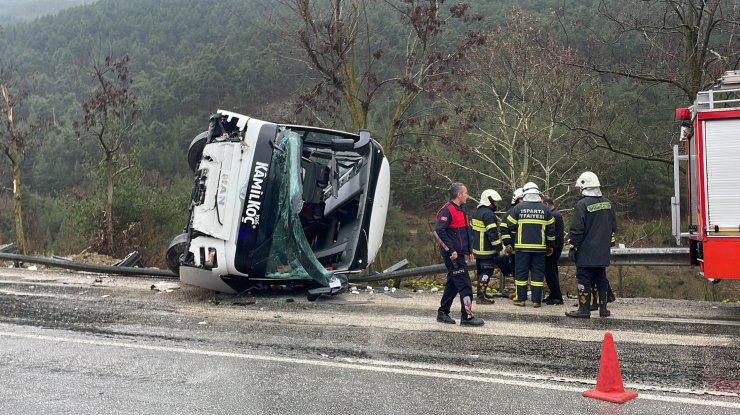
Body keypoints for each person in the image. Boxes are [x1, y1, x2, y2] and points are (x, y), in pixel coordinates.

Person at [565, 171, 617, 319]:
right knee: (601, 278)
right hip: (602, 251)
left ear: (583, 186)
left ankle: (584, 309)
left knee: (584, 279)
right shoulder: (607, 203)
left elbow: (576, 229)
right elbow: (613, 226)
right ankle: (603, 309)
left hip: (586, 252)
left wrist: (573, 247)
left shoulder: (582, 204)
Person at [434, 182, 484, 326]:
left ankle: (442, 312)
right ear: (459, 194)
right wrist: (451, 250)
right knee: (465, 285)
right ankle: (467, 317)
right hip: (452, 255)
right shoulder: (447, 210)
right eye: (466, 193)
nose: (468, 195)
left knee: (453, 283)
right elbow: (438, 232)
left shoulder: (462, 209)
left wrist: (469, 251)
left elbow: (466, 232)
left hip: (461, 253)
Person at [502, 182, 555, 307]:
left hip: (522, 247)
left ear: (525, 193)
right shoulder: (545, 209)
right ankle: (536, 300)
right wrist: (550, 245)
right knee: (537, 273)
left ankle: (521, 299)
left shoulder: (518, 208)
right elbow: (551, 230)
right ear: (537, 193)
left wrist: (515, 234)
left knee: (521, 272)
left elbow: (509, 225)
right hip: (539, 248)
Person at [471, 189, 504, 304]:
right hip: (486, 251)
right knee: (486, 273)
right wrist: (499, 248)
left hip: (477, 250)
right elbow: (492, 234)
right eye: (495, 201)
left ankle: (482, 293)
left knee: (481, 272)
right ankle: (480, 297)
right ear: (489, 200)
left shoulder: (477, 212)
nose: (497, 204)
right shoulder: (489, 215)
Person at [500, 187, 523, 299]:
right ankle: (519, 292)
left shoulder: (528, 211)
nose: (523, 201)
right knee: (517, 270)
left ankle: (525, 293)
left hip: (528, 247)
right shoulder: (511, 212)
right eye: (521, 199)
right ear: (516, 199)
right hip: (515, 248)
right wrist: (508, 243)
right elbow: (504, 228)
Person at [542, 197, 564, 305]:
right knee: (552, 271)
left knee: (550, 272)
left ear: (546, 204)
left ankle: (557, 296)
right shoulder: (556, 214)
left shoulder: (553, 215)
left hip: (553, 248)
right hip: (556, 246)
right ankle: (554, 294)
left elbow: (551, 233)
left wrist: (549, 246)